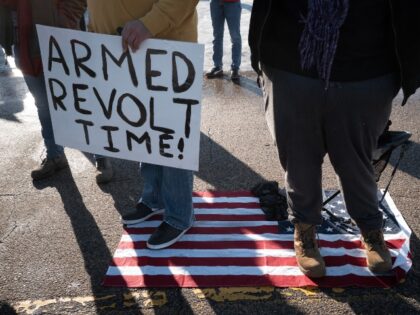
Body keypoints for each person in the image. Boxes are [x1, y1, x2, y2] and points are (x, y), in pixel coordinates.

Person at [249, 0, 420, 278]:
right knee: (299, 159)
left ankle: (370, 228)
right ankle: (304, 228)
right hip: (291, 60)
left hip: (368, 66)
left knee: (357, 160)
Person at [87, 0, 199, 249]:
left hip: (165, 47)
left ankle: (180, 214)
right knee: (145, 130)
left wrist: (150, 23)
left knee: (170, 136)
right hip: (118, 51)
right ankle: (154, 198)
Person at [0, 1, 113, 183]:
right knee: (43, 106)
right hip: (25, 45)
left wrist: (61, 23)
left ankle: (102, 158)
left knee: (82, 103)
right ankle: (55, 155)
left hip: (60, 42)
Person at [206, 0, 242, 82]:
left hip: (232, 3)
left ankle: (235, 68)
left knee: (235, 36)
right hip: (215, 3)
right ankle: (217, 66)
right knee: (217, 36)